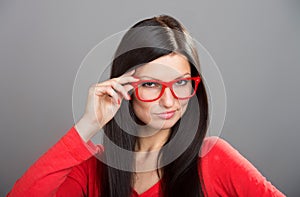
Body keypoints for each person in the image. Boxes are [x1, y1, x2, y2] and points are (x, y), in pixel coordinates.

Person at [7, 15, 285, 197]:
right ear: (125, 87)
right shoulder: (92, 168)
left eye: (181, 82)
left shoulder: (213, 159)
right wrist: (88, 125)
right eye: (151, 84)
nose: (169, 101)